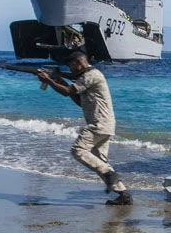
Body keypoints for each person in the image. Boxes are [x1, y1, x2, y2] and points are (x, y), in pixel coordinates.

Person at [38, 52, 132, 205]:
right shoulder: (87, 77)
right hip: (105, 124)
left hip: (99, 124)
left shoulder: (91, 75)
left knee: (78, 150)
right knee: (100, 161)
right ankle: (123, 195)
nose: (70, 70)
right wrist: (59, 80)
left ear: (78, 63)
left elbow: (68, 92)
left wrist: (48, 80)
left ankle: (111, 175)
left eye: (71, 67)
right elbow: (77, 100)